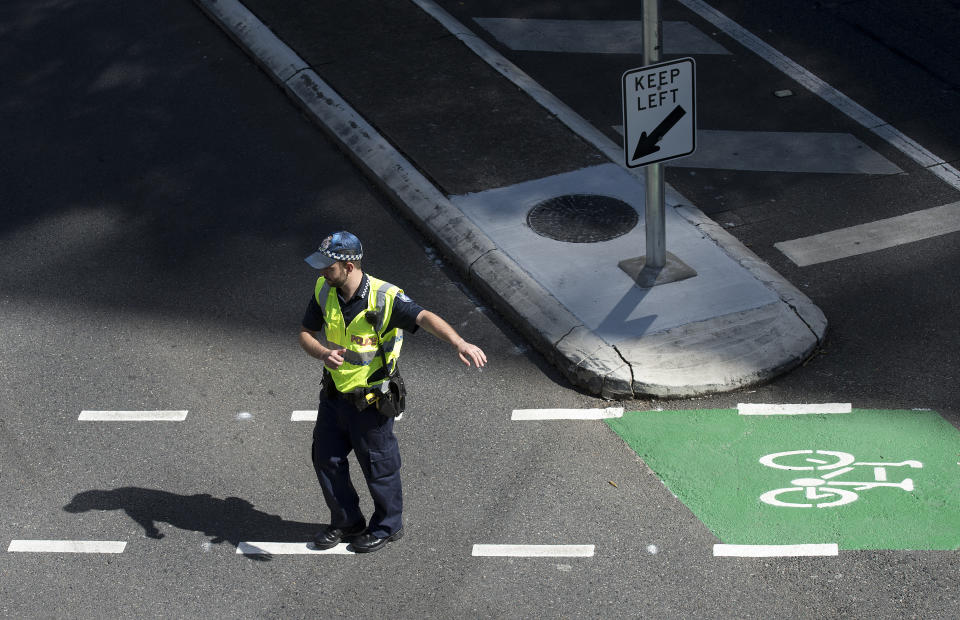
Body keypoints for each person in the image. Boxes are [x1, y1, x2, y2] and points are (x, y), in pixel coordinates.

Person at [299, 231, 487, 553]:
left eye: (328, 267)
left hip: (371, 401)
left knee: (379, 466)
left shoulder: (385, 298)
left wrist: (458, 341)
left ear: (349, 265)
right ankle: (347, 522)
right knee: (325, 459)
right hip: (333, 395)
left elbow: (423, 317)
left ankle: (388, 525)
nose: (322, 272)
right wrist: (320, 353)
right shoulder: (324, 289)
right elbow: (305, 332)